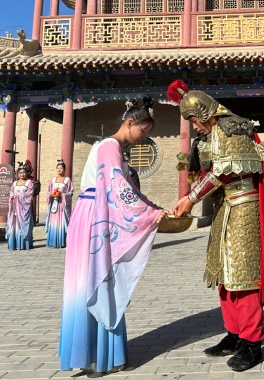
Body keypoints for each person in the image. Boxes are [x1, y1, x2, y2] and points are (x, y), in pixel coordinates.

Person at [169, 80, 264, 373]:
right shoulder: (211, 135)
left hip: (244, 209)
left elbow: (222, 172)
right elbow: (204, 171)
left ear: (206, 113)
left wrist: (190, 199)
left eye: (195, 120)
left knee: (243, 277)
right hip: (224, 207)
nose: (194, 126)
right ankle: (235, 332)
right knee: (223, 273)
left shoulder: (233, 129)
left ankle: (252, 342)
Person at [58, 96, 169, 377]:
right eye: (143, 131)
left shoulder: (117, 150)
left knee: (99, 278)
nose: (143, 138)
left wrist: (155, 209)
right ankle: (98, 355)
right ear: (130, 123)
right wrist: (148, 214)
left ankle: (98, 353)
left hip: (97, 212)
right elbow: (118, 188)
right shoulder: (109, 146)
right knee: (97, 279)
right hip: (95, 214)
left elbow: (130, 188)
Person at [45, 160, 73, 248]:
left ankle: (62, 241)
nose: (59, 170)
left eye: (61, 168)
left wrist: (63, 195)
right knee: (53, 222)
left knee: (62, 222)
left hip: (62, 205)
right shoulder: (52, 180)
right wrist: (51, 195)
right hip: (54, 204)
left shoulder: (67, 180)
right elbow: (48, 191)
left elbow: (71, 192)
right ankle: (53, 241)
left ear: (64, 169)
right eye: (58, 168)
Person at [6, 165, 35, 251]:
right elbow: (11, 193)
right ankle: (14, 243)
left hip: (24, 208)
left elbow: (29, 194)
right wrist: (12, 198)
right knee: (14, 225)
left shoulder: (29, 183)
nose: (22, 174)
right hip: (15, 208)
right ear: (18, 174)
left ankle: (24, 244)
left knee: (23, 224)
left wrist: (19, 197)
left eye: (24, 172)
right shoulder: (14, 183)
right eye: (20, 173)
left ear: (26, 173)